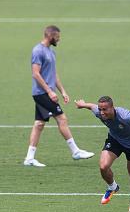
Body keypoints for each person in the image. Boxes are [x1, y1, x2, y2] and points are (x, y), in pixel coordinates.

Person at [24, 25, 94, 167]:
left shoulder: (51, 52)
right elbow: (35, 73)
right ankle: (75, 151)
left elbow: (54, 74)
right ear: (50, 36)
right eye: (57, 37)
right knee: (62, 118)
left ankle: (29, 158)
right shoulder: (38, 50)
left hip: (46, 93)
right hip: (42, 93)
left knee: (39, 124)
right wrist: (50, 91)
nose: (59, 39)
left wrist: (62, 91)